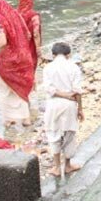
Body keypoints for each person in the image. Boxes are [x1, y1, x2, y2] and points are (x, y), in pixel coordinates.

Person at [0, 0, 34, 127]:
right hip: (24, 56)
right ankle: (26, 119)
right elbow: (28, 35)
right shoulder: (15, 15)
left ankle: (8, 120)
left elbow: (2, 42)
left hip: (8, 60)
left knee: (4, 90)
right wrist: (20, 46)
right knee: (21, 87)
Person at [43, 42, 83, 177]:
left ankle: (56, 167)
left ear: (53, 55)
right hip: (69, 104)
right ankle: (67, 165)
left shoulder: (48, 68)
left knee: (53, 134)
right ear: (68, 55)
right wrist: (80, 109)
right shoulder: (74, 67)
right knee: (69, 134)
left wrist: (61, 94)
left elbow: (48, 88)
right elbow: (77, 90)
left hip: (53, 104)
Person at [17, 0, 42, 80]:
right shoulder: (34, 15)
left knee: (20, 72)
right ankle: (30, 90)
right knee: (30, 71)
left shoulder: (15, 14)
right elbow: (35, 33)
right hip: (30, 48)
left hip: (18, 48)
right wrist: (38, 49)